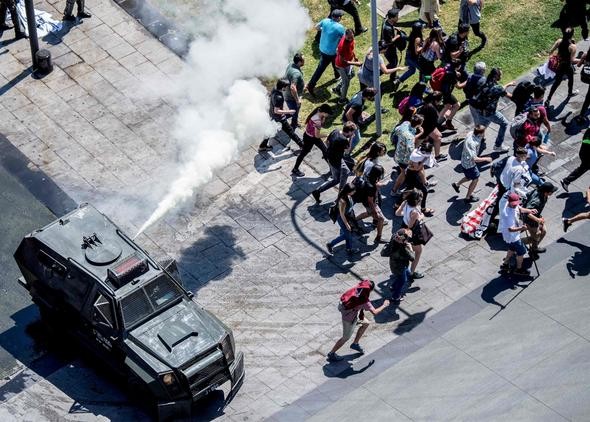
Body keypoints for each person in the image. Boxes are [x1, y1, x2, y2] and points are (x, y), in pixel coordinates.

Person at [327, 280, 389, 362]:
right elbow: (375, 312)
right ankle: (331, 353)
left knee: (366, 323)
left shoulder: (356, 289)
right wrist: (384, 305)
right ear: (370, 290)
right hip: (349, 319)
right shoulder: (364, 301)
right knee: (345, 337)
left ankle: (355, 344)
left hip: (350, 313)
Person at [469, 67, 515, 153]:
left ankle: (473, 146)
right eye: (501, 74)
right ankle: (498, 145)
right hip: (489, 112)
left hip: (479, 109)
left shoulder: (484, 81)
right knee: (504, 123)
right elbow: (510, 96)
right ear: (497, 76)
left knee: (481, 128)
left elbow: (499, 88)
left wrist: (508, 84)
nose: (502, 75)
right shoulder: (497, 88)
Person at [312, 122, 357, 203]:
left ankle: (318, 191)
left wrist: (332, 150)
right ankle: (340, 197)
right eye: (353, 132)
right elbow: (347, 151)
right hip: (336, 161)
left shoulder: (335, 131)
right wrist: (351, 139)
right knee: (346, 173)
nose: (353, 134)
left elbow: (326, 142)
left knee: (336, 180)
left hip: (330, 158)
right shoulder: (343, 140)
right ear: (349, 132)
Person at [306, 10, 346, 97]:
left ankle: (336, 75)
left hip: (322, 48)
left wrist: (323, 30)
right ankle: (310, 85)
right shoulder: (340, 28)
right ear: (338, 18)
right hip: (331, 52)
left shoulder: (325, 20)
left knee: (333, 62)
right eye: (341, 17)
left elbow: (316, 27)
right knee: (321, 69)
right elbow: (344, 40)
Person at [498, 192, 538, 276]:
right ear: (509, 202)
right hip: (512, 236)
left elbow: (520, 209)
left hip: (512, 236)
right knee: (522, 252)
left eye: (516, 203)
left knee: (512, 249)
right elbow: (510, 229)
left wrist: (529, 210)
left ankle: (505, 264)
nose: (515, 205)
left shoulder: (515, 206)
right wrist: (522, 228)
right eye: (513, 204)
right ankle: (519, 269)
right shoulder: (507, 214)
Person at [259, 79, 303, 153]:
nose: (287, 88)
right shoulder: (279, 97)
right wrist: (290, 111)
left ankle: (262, 146)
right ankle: (302, 145)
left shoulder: (274, 89)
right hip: (279, 117)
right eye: (286, 87)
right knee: (290, 131)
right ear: (283, 87)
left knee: (270, 131)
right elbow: (277, 110)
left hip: (272, 115)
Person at [452, 125, 492, 203]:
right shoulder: (473, 143)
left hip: (464, 161)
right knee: (475, 179)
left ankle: (457, 184)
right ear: (481, 133)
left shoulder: (471, 133)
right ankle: (468, 198)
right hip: (469, 164)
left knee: (469, 177)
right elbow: (475, 159)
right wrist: (487, 159)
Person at [291, 104, 333, 177]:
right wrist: (327, 135)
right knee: (304, 153)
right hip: (311, 139)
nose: (328, 115)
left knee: (325, 151)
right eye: (328, 114)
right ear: (324, 112)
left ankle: (332, 169)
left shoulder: (317, 112)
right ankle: (295, 169)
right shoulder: (317, 121)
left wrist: (323, 119)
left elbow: (318, 129)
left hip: (309, 136)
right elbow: (317, 135)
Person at [395, 190, 427, 279]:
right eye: (420, 199)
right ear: (416, 200)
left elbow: (397, 213)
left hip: (403, 226)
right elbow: (410, 226)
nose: (421, 200)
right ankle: (411, 273)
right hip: (411, 232)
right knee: (418, 251)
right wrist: (421, 217)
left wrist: (405, 214)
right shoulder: (415, 212)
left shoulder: (405, 202)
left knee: (408, 247)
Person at [545, 27, 579, 108]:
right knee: (571, 79)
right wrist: (583, 60)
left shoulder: (559, 41)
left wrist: (552, 59)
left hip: (559, 66)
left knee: (557, 82)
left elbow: (550, 52)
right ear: (572, 34)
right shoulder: (572, 47)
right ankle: (570, 93)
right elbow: (572, 60)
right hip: (567, 66)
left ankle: (548, 99)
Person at [352, 165, 388, 243]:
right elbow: (370, 201)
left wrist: (381, 184)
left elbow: (375, 184)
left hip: (364, 200)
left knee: (369, 213)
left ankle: (353, 220)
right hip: (369, 202)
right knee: (381, 219)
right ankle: (378, 238)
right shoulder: (371, 187)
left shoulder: (367, 175)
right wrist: (375, 212)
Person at [522, 181, 558, 259]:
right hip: (530, 221)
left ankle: (534, 247)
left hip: (537, 217)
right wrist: (538, 219)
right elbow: (527, 213)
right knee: (536, 236)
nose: (552, 193)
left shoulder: (541, 194)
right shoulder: (537, 201)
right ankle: (517, 243)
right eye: (551, 191)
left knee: (543, 231)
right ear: (546, 192)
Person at [392, 114, 425, 195]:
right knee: (406, 172)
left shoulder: (405, 124)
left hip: (398, 153)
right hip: (405, 159)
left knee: (403, 172)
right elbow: (410, 149)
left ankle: (394, 191)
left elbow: (396, 130)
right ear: (419, 124)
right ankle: (394, 190)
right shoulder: (409, 137)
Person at [326, 182, 360, 255]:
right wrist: (347, 224)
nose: (355, 192)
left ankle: (349, 249)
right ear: (348, 192)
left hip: (348, 216)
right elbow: (342, 214)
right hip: (343, 219)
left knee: (348, 234)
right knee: (347, 235)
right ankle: (330, 244)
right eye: (353, 191)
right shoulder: (343, 201)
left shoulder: (347, 195)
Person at [385, 228, 415, 301]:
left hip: (394, 263)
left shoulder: (394, 237)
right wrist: (410, 248)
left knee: (405, 274)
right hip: (399, 267)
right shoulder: (403, 250)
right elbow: (412, 258)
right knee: (402, 280)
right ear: (403, 240)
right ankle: (395, 296)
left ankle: (393, 286)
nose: (408, 240)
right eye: (408, 238)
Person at [416, 92, 447, 160]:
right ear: (436, 100)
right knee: (414, 146)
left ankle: (437, 156)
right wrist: (444, 110)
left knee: (438, 137)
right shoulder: (432, 108)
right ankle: (406, 163)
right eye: (441, 99)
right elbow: (437, 121)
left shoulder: (428, 103)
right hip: (423, 130)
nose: (442, 101)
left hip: (427, 126)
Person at [333, 30, 362, 104]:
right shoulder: (342, 46)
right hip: (341, 66)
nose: (351, 39)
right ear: (345, 36)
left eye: (352, 37)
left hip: (348, 63)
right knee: (346, 83)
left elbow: (351, 49)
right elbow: (344, 61)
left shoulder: (351, 39)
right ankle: (342, 100)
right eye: (349, 38)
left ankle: (337, 88)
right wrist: (355, 63)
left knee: (351, 74)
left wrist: (354, 57)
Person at [380, 8, 405, 87]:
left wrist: (394, 28)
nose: (398, 17)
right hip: (388, 49)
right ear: (392, 18)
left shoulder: (387, 21)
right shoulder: (387, 29)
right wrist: (398, 36)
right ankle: (379, 72)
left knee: (394, 62)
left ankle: (392, 76)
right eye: (397, 16)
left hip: (387, 47)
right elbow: (390, 41)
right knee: (393, 63)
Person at [561, 127, 590, 192]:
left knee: (582, 169)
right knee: (582, 169)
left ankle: (566, 181)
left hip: (586, 154)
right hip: (586, 155)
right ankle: (566, 181)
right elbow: (586, 141)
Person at [283, 53, 306, 130]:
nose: (304, 61)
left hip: (288, 94)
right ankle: (281, 119)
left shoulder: (291, 65)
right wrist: (297, 100)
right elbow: (293, 87)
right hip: (292, 98)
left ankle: (294, 122)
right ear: (299, 62)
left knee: (294, 112)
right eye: (303, 60)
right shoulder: (296, 73)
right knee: (293, 112)